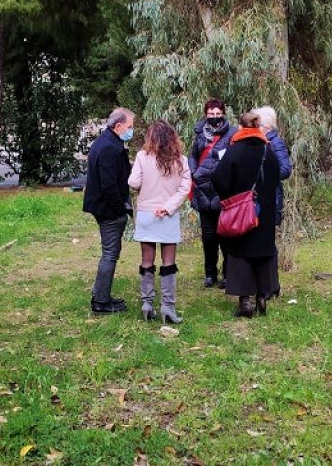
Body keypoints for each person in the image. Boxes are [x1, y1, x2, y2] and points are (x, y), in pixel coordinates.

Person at [211, 111, 280, 318]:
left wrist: (230, 195)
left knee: (241, 253)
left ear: (241, 127)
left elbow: (219, 179)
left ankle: (245, 302)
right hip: (264, 212)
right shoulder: (268, 150)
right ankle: (261, 296)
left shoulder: (235, 150)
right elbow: (277, 177)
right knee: (262, 252)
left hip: (242, 211)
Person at [127, 120, 191, 323]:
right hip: (168, 215)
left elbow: (133, 182)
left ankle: (147, 304)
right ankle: (168, 307)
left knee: (147, 260)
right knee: (169, 262)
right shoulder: (181, 160)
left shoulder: (142, 157)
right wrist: (168, 206)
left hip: (147, 213)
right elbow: (184, 188)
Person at [82, 108, 134, 314]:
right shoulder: (108, 148)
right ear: (118, 125)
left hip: (106, 207)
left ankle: (100, 294)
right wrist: (120, 209)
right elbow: (108, 184)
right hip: (108, 209)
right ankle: (101, 302)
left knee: (110, 253)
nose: (131, 130)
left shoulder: (110, 143)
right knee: (110, 254)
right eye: (130, 126)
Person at [189, 98, 236, 288]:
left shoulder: (232, 134)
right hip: (202, 190)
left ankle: (228, 273)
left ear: (223, 114)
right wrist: (194, 172)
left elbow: (234, 159)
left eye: (218, 114)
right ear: (206, 115)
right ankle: (210, 273)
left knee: (225, 236)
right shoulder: (200, 134)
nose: (214, 118)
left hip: (222, 191)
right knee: (208, 237)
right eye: (211, 114)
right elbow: (192, 155)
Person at [252, 106, 291, 299]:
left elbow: (286, 169)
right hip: (262, 198)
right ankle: (269, 284)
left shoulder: (276, 143)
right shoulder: (260, 142)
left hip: (271, 199)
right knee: (264, 243)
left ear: (265, 125)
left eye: (256, 123)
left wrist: (263, 175)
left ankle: (270, 286)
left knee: (268, 244)